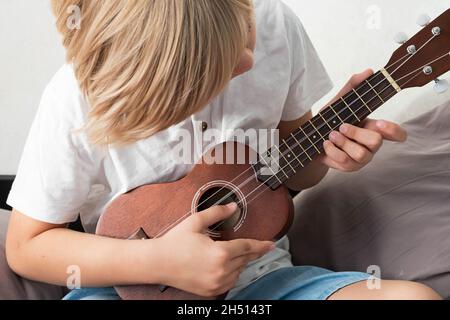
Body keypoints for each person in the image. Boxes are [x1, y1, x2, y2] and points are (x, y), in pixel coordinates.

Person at [5, 0, 441, 300]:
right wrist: (156, 263)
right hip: (122, 289)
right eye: (218, 65)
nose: (248, 61)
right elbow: (26, 247)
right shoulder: (77, 97)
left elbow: (295, 174)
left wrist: (325, 148)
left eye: (245, 28)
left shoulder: (274, 23)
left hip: (262, 281)